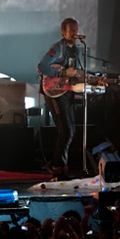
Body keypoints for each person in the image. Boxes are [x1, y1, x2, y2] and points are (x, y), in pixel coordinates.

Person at [37, 17, 82, 180]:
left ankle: (62, 168)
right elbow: (41, 66)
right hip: (54, 92)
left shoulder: (77, 50)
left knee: (71, 130)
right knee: (66, 130)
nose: (75, 33)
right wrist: (60, 74)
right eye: (72, 30)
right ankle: (58, 168)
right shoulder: (58, 48)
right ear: (64, 32)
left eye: (76, 30)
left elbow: (74, 73)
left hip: (67, 92)